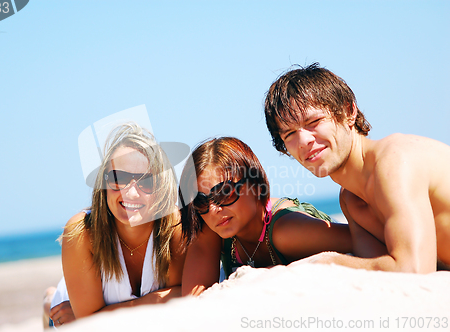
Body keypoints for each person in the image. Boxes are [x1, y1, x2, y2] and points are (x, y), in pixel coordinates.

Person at [264, 63, 450, 273]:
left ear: (348, 111)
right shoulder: (351, 199)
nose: (303, 140)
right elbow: (374, 267)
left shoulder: (395, 162)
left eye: (314, 121)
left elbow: (413, 270)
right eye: (289, 134)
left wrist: (325, 262)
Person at [45, 123, 185, 328]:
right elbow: (91, 326)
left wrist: (96, 314)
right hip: (66, 310)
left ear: (162, 188)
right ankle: (48, 300)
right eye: (119, 178)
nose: (131, 193)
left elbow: (184, 295)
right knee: (54, 306)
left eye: (146, 182)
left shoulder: (173, 226)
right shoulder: (81, 232)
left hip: (84, 310)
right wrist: (156, 300)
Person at [179, 136, 352, 296]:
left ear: (256, 186)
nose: (213, 209)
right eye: (200, 201)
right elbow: (193, 302)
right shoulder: (212, 225)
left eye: (224, 192)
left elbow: (358, 240)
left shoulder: (287, 230)